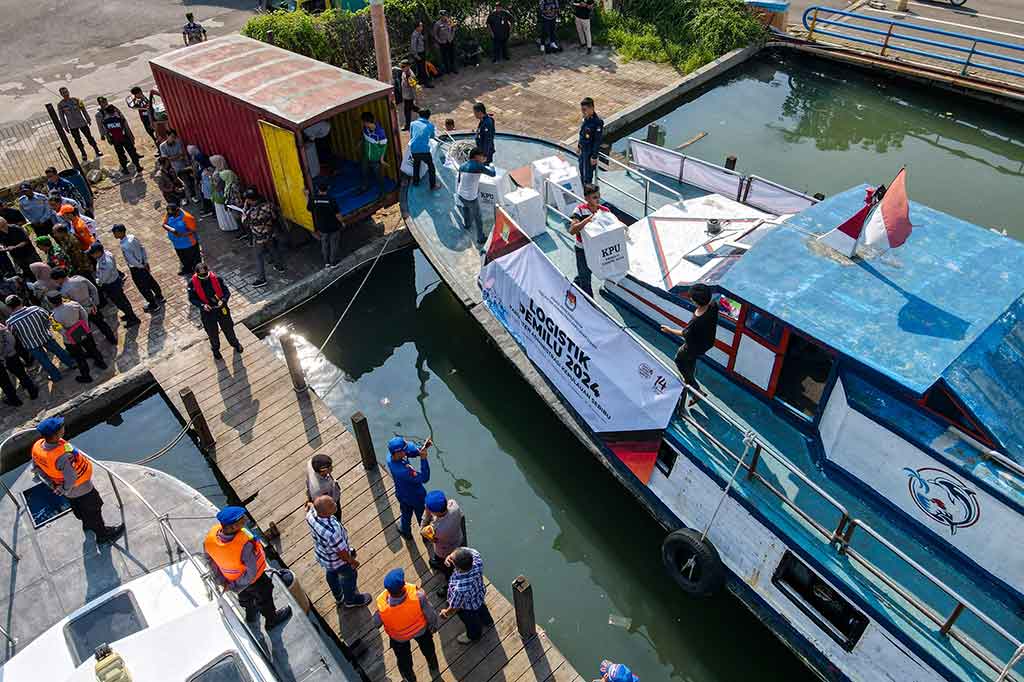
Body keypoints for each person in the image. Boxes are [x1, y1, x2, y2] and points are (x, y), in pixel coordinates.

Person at [32, 416, 124, 542]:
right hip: (81, 489)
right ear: (56, 434)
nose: (63, 427)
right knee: (94, 509)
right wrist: (64, 488)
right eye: (61, 427)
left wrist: (55, 486)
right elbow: (71, 478)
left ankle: (87, 525)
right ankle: (103, 535)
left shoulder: (37, 447)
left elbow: (37, 469)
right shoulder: (62, 457)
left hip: (68, 492)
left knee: (78, 508)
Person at [204, 505, 292, 628]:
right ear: (232, 527)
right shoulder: (245, 545)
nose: (245, 519)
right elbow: (251, 573)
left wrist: (224, 582)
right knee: (265, 597)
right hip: (253, 581)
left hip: (233, 580)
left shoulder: (210, 540)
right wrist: (236, 585)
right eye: (241, 519)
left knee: (245, 598)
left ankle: (251, 616)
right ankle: (271, 621)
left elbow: (210, 561)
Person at [373, 568, 440, 682]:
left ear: (388, 590)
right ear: (403, 585)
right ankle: (433, 665)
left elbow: (375, 623)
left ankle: (410, 678)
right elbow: (430, 614)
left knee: (404, 660)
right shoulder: (418, 596)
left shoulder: (382, 609)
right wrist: (434, 625)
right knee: (429, 649)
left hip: (399, 638)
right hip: (421, 631)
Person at [307, 494, 372, 608]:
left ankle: (338, 596)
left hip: (325, 556)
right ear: (324, 513)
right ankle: (350, 600)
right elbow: (342, 554)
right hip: (338, 561)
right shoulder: (333, 532)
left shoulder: (311, 514)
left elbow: (309, 506)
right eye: (331, 505)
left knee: (331, 573)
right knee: (350, 576)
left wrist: (310, 504)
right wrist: (352, 561)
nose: (335, 504)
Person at [660, 282, 718, 404]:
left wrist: (669, 330)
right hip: (706, 343)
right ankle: (690, 372)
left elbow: (685, 333)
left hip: (692, 346)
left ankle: (697, 391)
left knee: (680, 360)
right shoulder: (713, 306)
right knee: (690, 359)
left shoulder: (696, 321)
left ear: (696, 302)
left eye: (692, 298)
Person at [6, 295, 74, 381]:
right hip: (45, 336)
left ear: (9, 307)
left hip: (31, 344)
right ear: (20, 301)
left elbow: (13, 335)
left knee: (44, 361)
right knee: (59, 351)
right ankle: (72, 364)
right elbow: (48, 318)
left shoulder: (10, 322)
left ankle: (56, 376)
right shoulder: (35, 309)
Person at [47, 291, 107, 383]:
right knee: (92, 348)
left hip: (70, 339)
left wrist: (70, 336)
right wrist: (84, 327)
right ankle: (101, 363)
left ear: (51, 302)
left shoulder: (53, 316)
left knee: (79, 358)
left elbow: (60, 330)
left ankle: (86, 376)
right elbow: (84, 315)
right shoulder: (73, 304)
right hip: (82, 330)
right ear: (61, 297)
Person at [188, 261, 243, 360]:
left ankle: (235, 344)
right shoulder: (192, 283)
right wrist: (202, 305)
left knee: (229, 329)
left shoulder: (217, 279)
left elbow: (226, 292)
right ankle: (215, 350)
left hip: (221, 309)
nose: (204, 277)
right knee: (212, 333)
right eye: (201, 275)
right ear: (197, 274)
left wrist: (223, 300)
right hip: (207, 312)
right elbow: (192, 298)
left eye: (205, 274)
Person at [439, 547, 492, 644]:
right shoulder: (477, 561)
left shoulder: (460, 588)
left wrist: (446, 613)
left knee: (472, 623)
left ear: (457, 568)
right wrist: (451, 556)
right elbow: (468, 550)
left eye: (452, 559)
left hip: (468, 607)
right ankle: (487, 621)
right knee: (482, 609)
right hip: (479, 596)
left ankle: (474, 636)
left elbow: (455, 606)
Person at [51, 267, 116, 343]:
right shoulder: (79, 278)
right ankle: (112, 339)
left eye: (55, 280)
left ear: (59, 278)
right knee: (102, 324)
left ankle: (94, 346)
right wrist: (95, 303)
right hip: (92, 306)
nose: (55, 282)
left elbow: (71, 305)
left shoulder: (63, 291)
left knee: (86, 331)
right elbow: (94, 289)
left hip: (81, 313)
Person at [386, 436, 432, 539]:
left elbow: (410, 451)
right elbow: (425, 478)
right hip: (417, 496)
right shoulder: (404, 471)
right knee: (422, 517)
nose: (406, 451)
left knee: (405, 514)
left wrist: (421, 449)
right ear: (398, 453)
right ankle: (425, 537)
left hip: (402, 494)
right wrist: (423, 458)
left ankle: (405, 531)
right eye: (404, 450)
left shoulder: (390, 456)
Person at [112, 224, 163, 312]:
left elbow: (131, 260)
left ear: (120, 232)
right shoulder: (132, 237)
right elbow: (142, 248)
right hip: (143, 263)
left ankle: (153, 305)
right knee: (150, 281)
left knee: (143, 287)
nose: (114, 234)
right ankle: (160, 296)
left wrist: (141, 266)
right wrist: (145, 262)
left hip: (136, 269)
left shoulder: (124, 245)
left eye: (114, 232)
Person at [89, 243, 140, 328]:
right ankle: (129, 314)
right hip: (114, 282)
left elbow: (103, 278)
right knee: (121, 301)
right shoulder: (104, 255)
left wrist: (98, 281)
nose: (92, 255)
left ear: (98, 252)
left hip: (112, 285)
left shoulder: (105, 263)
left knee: (121, 302)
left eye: (93, 253)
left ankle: (133, 318)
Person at [568, 183, 606, 297]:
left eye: (598, 196)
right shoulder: (579, 210)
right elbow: (572, 230)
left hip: (597, 249)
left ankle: (576, 282)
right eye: (594, 197)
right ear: (587, 198)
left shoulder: (605, 211)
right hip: (582, 249)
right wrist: (587, 220)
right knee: (586, 278)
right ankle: (590, 303)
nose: (598, 199)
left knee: (588, 271)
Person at [241, 190, 284, 287]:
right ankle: (279, 266)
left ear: (250, 200)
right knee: (273, 249)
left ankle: (261, 279)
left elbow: (245, 223)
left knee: (258, 256)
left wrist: (244, 209)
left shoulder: (250, 212)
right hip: (270, 233)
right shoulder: (269, 205)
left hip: (259, 237)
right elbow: (275, 216)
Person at [456, 148, 496, 246]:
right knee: (478, 217)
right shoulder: (478, 166)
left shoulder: (462, 166)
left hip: (460, 194)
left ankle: (467, 225)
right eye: (482, 156)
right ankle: (480, 238)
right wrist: (492, 165)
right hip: (471, 198)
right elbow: (493, 174)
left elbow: (459, 181)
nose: (483, 158)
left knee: (465, 209)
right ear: (476, 156)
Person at [421, 490, 464, 581]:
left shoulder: (435, 529)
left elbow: (423, 531)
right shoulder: (454, 505)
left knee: (446, 566)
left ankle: (448, 580)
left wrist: (427, 513)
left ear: (434, 512)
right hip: (458, 539)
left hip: (444, 551)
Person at [57, 87, 102, 160]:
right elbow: (61, 117)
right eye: (63, 93)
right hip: (72, 126)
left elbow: (83, 110)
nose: (66, 94)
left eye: (66, 92)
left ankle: (97, 150)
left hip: (82, 123)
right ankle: (83, 153)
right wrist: (65, 126)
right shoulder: (60, 105)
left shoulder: (77, 100)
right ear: (61, 94)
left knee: (89, 137)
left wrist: (88, 119)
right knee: (77, 140)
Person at [99, 102, 143, 176]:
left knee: (120, 155)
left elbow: (107, 132)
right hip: (124, 138)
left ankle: (125, 169)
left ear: (106, 112)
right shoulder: (120, 118)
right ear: (114, 110)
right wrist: (131, 137)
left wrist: (110, 140)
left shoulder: (105, 121)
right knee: (131, 152)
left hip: (115, 140)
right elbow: (126, 128)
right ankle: (138, 167)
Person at [305, 185, 344, 268]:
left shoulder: (314, 199)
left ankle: (326, 262)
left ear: (318, 189)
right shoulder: (331, 199)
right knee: (334, 244)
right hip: (334, 226)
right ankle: (333, 262)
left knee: (324, 244)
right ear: (327, 189)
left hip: (322, 227)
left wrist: (307, 196)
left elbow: (308, 208)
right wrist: (342, 222)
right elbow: (337, 214)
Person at [0, 322, 37, 405]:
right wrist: (6, 352)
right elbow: (10, 339)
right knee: (20, 374)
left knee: (4, 382)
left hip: (9, 355)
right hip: (10, 355)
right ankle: (32, 392)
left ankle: (15, 400)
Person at [163, 202, 201, 276]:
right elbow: (164, 224)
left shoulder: (187, 217)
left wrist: (181, 235)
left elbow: (193, 230)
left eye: (174, 215)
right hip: (177, 244)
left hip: (189, 244)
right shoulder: (169, 214)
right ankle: (188, 269)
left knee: (195, 261)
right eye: (171, 215)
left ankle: (199, 273)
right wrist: (172, 230)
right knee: (184, 259)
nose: (172, 216)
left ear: (178, 210)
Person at [159, 130, 197, 204]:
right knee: (177, 184)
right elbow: (166, 159)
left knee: (188, 180)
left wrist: (172, 157)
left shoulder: (178, 142)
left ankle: (193, 196)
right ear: (167, 136)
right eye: (172, 137)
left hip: (181, 166)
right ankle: (183, 198)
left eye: (174, 137)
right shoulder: (162, 146)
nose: (173, 139)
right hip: (172, 169)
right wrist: (177, 157)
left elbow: (181, 154)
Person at [409, 109, 440, 190]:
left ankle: (415, 182)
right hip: (424, 151)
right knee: (431, 167)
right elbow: (432, 136)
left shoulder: (412, 123)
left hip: (413, 149)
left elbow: (411, 136)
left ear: (419, 115)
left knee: (416, 164)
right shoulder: (430, 125)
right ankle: (433, 185)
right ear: (428, 116)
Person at [210, 155, 242, 233]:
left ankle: (231, 226)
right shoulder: (227, 172)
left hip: (222, 196)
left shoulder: (220, 174)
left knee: (227, 212)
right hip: (225, 196)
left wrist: (212, 180)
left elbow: (218, 187)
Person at [360, 112, 389, 192]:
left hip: (375, 159)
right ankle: (365, 185)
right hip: (366, 156)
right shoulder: (365, 129)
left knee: (378, 175)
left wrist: (381, 159)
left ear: (366, 122)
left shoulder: (380, 133)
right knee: (364, 171)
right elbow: (364, 137)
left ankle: (383, 191)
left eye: (362, 122)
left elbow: (384, 146)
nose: (362, 123)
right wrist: (359, 144)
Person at [577, 97, 604, 184]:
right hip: (583, 150)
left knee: (588, 175)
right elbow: (582, 133)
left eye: (584, 110)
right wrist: (579, 146)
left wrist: (594, 156)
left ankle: (587, 190)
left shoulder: (597, 122)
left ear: (591, 108)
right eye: (582, 110)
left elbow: (597, 141)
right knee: (581, 170)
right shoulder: (586, 118)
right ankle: (582, 187)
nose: (583, 112)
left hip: (589, 152)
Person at [433, 11, 458, 76]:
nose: (444, 17)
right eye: (443, 16)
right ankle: (447, 70)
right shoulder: (437, 24)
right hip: (443, 42)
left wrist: (452, 36)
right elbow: (435, 34)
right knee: (445, 57)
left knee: (452, 55)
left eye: (445, 15)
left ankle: (453, 68)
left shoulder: (450, 21)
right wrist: (439, 41)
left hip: (450, 41)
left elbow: (453, 29)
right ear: (440, 16)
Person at [410, 22, 433, 89]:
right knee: (423, 69)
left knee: (421, 69)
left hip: (422, 52)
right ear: (417, 27)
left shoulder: (419, 33)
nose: (422, 27)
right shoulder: (415, 35)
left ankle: (421, 81)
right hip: (418, 54)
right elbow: (413, 46)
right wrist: (416, 56)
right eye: (421, 26)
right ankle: (427, 83)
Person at [399, 60, 420, 131]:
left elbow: (413, 88)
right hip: (405, 95)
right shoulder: (404, 72)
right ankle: (423, 113)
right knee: (413, 108)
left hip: (409, 96)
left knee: (407, 111)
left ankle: (407, 126)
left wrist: (415, 99)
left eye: (403, 67)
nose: (401, 68)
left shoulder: (410, 76)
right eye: (401, 66)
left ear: (408, 66)